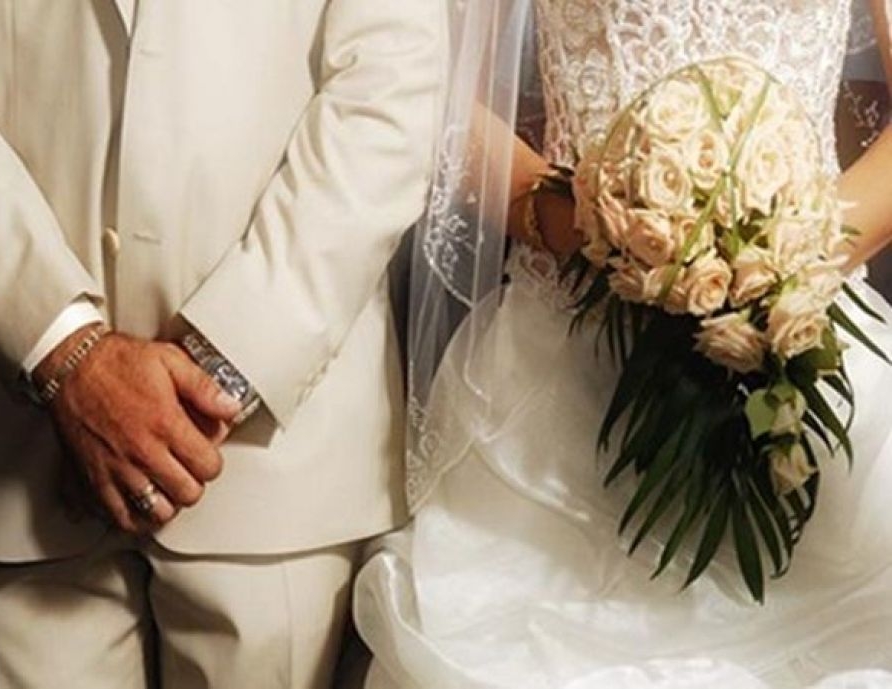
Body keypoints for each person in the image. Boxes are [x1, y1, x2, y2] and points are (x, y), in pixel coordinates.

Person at [354, 1, 892, 687]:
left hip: (804, 352)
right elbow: (436, 93)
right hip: (562, 375)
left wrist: (779, 258)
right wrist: (593, 229)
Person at [0, 1, 442, 687]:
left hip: (275, 466)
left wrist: (221, 368)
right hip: (20, 458)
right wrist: (61, 350)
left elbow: (389, 97)